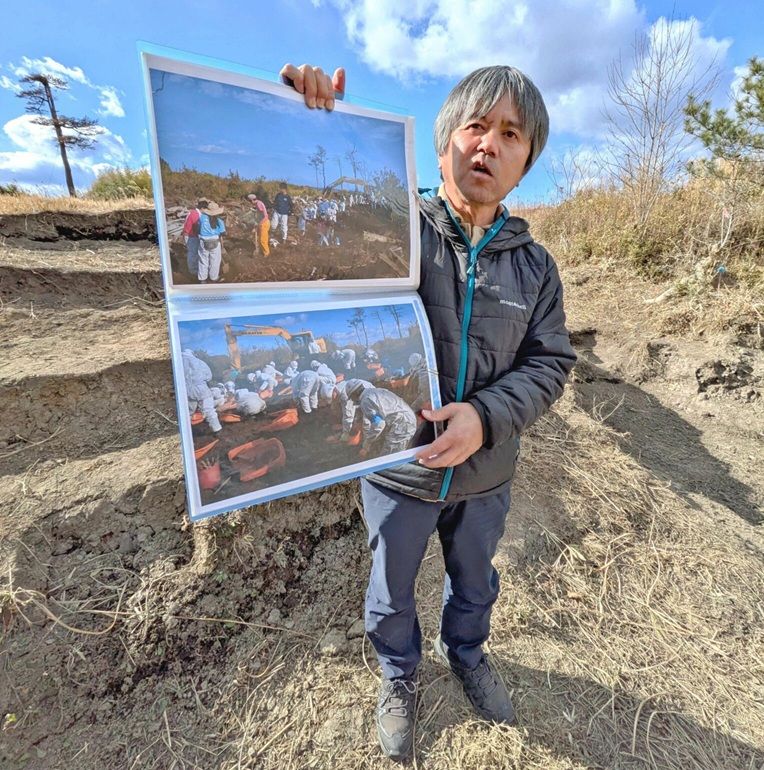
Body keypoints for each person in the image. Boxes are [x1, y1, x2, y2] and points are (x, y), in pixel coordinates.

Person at [281, 62, 576, 760]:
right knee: (390, 588)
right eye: (476, 125)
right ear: (444, 140)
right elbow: (314, 263)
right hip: (397, 472)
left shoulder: (536, 268)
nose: (489, 145)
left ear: (526, 158)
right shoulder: (390, 232)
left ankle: (468, 653)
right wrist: (313, 124)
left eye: (511, 133)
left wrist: (485, 416)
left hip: (486, 477)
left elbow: (551, 363)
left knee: (476, 581)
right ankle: (398, 673)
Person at [345, 382, 417, 456]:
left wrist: (366, 446)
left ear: (355, 393)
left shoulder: (365, 401)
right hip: (407, 418)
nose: (352, 400)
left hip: (402, 424)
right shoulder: (377, 391)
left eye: (351, 397)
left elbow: (378, 424)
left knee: (390, 461)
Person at [182, 349, 221, 434]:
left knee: (187, 413)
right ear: (192, 353)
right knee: (209, 411)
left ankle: (187, 434)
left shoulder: (179, 362)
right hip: (202, 389)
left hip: (186, 390)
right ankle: (217, 430)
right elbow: (208, 377)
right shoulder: (200, 362)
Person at [196, 201, 226, 283]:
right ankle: (213, 277)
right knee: (215, 260)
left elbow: (197, 229)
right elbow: (223, 232)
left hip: (203, 241)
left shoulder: (201, 218)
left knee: (203, 260)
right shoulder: (219, 220)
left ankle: (202, 279)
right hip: (215, 241)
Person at [181, 198, 208, 276]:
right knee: (193, 253)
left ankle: (194, 268)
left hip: (190, 235)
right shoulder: (195, 214)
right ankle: (193, 271)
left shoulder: (193, 212)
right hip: (191, 236)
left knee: (194, 252)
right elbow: (197, 228)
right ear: (202, 208)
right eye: (205, 209)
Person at [246, 193, 270, 257]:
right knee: (260, 239)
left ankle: (266, 253)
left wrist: (258, 223)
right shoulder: (258, 203)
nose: (250, 203)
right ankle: (261, 250)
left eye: (250, 201)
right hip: (262, 223)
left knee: (263, 240)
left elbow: (264, 216)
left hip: (264, 223)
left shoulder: (259, 205)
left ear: (252, 200)